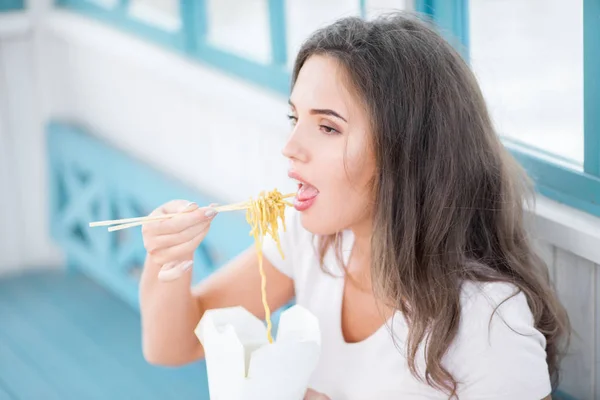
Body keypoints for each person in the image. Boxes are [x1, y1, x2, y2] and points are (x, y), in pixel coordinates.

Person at [138, 12, 570, 400]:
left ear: (407, 151)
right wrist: (167, 261)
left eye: (327, 127)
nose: (290, 148)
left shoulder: (489, 322)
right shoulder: (306, 237)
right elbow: (174, 344)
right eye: (295, 119)